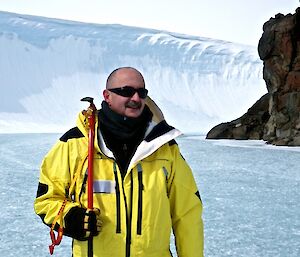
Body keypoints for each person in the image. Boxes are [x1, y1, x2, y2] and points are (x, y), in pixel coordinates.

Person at [34, 67, 204, 257]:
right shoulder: (75, 144)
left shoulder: (165, 148)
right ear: (107, 96)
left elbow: (187, 214)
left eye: (142, 92)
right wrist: (71, 218)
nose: (136, 98)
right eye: (126, 91)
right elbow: (47, 199)